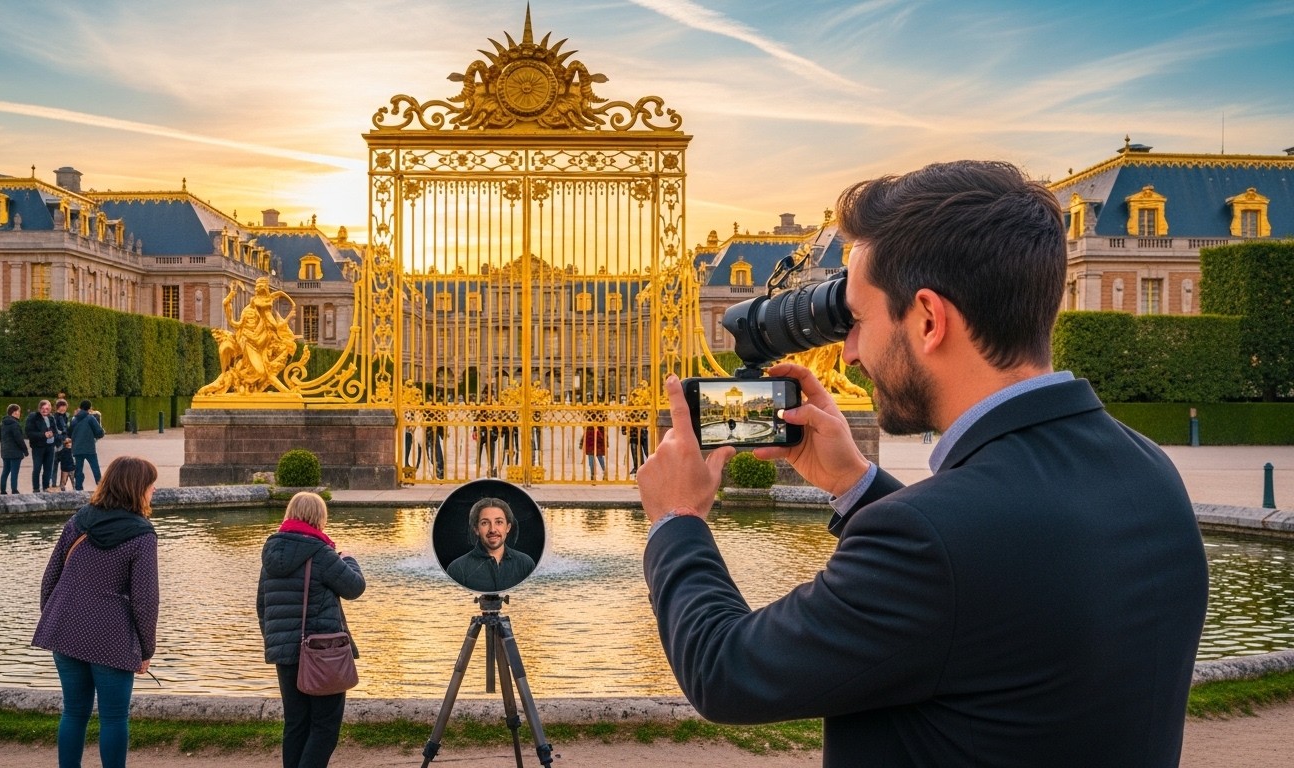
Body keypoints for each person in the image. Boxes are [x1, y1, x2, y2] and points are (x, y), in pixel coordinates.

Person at [636, 160, 1209, 766]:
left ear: (930, 320)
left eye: (857, 320)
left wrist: (678, 519)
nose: (850, 353)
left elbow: (727, 671)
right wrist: (853, 484)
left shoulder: (932, 538)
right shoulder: (1147, 471)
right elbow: (989, 578)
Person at [32, 456, 160, 768]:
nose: (154, 491)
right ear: (137, 488)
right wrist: (146, 648)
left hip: (66, 628)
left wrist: (55, 620)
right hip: (111, 635)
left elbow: (50, 579)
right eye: (151, 485)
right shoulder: (141, 535)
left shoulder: (78, 521)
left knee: (74, 712)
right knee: (114, 718)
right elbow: (146, 600)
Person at [257, 492, 366, 768]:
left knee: (295, 724)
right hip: (321, 653)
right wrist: (349, 560)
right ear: (319, 518)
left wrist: (276, 642)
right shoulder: (321, 552)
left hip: (284, 654)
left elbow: (262, 605)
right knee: (325, 726)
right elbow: (354, 587)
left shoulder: (271, 552)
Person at [445, 497, 535, 593]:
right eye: (485, 523)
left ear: (508, 527)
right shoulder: (457, 569)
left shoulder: (526, 564)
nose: (492, 529)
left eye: (499, 522)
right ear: (476, 529)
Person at [70, 400, 106, 492]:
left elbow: (69, 433)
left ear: (80, 407)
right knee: (95, 468)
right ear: (89, 408)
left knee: (78, 469)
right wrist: (101, 433)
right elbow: (98, 432)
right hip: (89, 447)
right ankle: (100, 488)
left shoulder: (74, 419)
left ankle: (78, 488)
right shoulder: (90, 418)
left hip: (77, 448)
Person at [24, 399, 58, 493]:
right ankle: (36, 489)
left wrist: (52, 434)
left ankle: (46, 487)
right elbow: (28, 433)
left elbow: (55, 430)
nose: (45, 410)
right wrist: (44, 435)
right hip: (38, 447)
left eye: (47, 408)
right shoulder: (33, 417)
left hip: (50, 447)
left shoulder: (51, 418)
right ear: (39, 408)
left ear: (50, 409)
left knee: (48, 469)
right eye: (43, 408)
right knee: (37, 468)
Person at [0, 403, 26, 495]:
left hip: (5, 451)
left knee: (5, 471)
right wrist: (25, 450)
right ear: (14, 412)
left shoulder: (2, 424)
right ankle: (14, 490)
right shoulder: (15, 424)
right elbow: (19, 439)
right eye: (18, 411)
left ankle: (2, 490)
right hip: (15, 452)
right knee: (14, 472)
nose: (19, 413)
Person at [50, 398, 73, 490]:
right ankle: (54, 484)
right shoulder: (54, 418)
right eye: (61, 407)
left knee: (64, 467)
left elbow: (66, 431)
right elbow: (55, 433)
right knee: (54, 467)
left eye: (64, 407)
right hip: (57, 446)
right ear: (57, 408)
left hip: (64, 446)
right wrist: (64, 438)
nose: (63, 409)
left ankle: (61, 485)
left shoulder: (66, 417)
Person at [582, 413, 607, 481]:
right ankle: (592, 474)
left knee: (599, 458)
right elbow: (585, 432)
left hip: (598, 442)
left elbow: (603, 436)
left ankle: (604, 472)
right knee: (591, 459)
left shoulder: (601, 420)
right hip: (590, 442)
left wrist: (597, 431)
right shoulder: (588, 420)